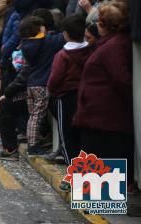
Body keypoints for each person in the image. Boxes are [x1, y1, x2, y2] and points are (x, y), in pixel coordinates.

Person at [73, 2, 135, 190]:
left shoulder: (113, 46)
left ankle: (99, 208)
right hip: (100, 116)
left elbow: (122, 80)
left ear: (104, 25)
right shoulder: (112, 44)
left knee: (98, 186)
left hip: (104, 118)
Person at [46, 14, 92, 170]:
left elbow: (55, 78)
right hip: (86, 95)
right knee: (82, 134)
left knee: (66, 135)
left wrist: (51, 91)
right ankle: (84, 169)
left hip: (66, 97)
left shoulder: (63, 55)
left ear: (65, 34)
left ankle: (72, 170)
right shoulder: (91, 50)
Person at [19, 15, 65, 156]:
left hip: (31, 83)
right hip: (43, 83)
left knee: (33, 114)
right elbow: (62, 38)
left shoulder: (26, 44)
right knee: (37, 116)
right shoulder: (47, 42)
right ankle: (33, 146)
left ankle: (33, 141)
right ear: (39, 29)